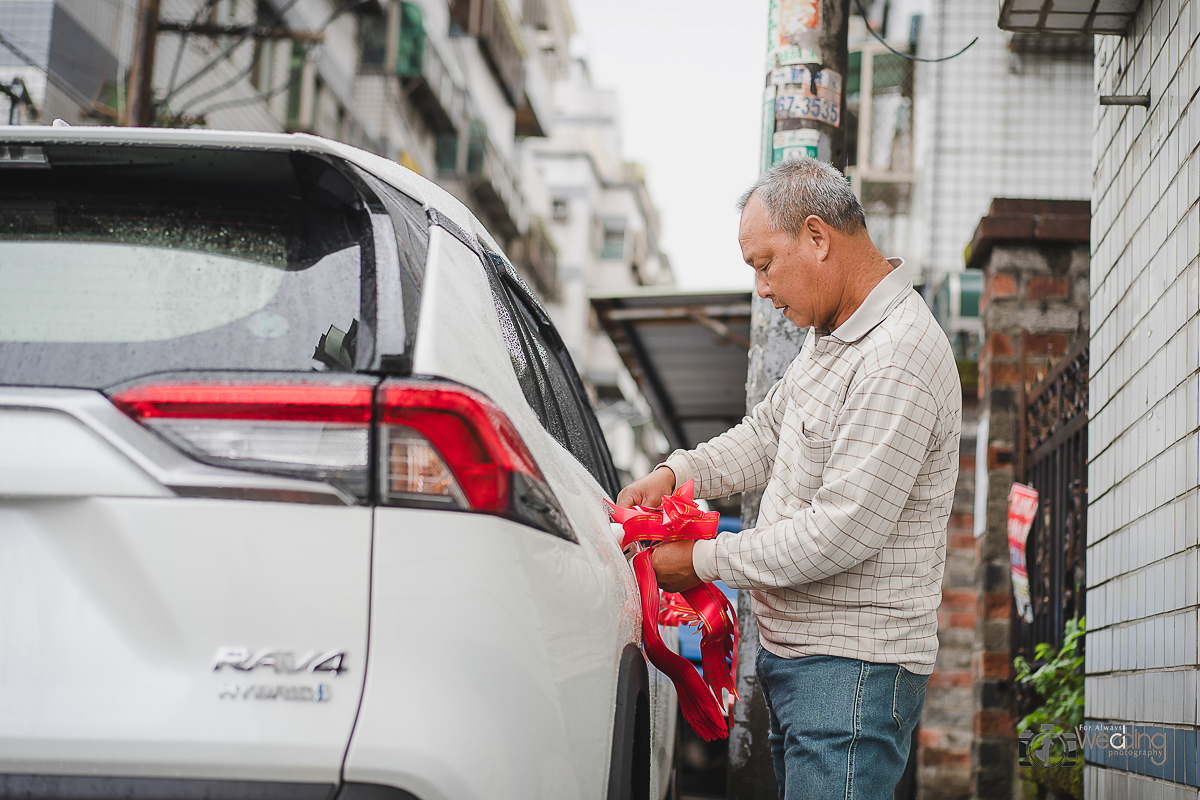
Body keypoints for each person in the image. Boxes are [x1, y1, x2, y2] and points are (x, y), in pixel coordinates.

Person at [617, 157, 961, 800]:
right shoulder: (834, 336)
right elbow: (767, 434)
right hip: (803, 663)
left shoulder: (899, 355)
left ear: (817, 237)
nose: (763, 289)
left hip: (853, 672)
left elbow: (841, 531)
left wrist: (702, 559)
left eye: (764, 264)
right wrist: (677, 473)